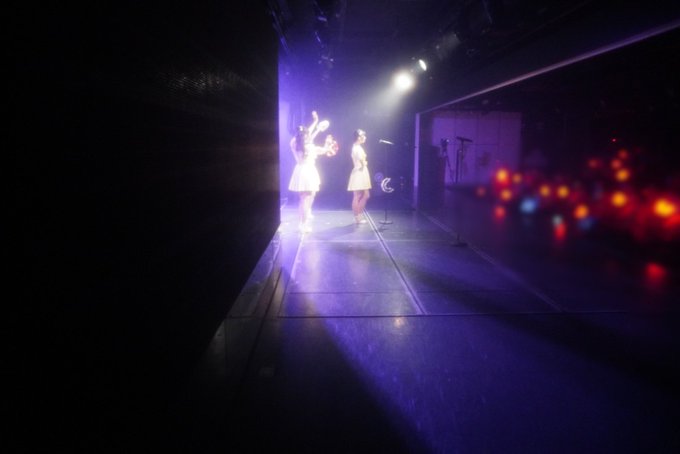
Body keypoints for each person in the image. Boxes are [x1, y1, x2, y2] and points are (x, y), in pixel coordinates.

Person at [288, 111, 337, 232]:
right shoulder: (309, 147)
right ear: (305, 136)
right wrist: (327, 143)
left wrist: (316, 123)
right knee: (306, 198)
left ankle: (302, 221)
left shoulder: (294, 144)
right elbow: (323, 150)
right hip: (308, 171)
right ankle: (303, 224)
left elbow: (308, 135)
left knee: (305, 197)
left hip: (300, 170)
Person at [347, 128, 371, 224]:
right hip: (359, 171)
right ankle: (357, 216)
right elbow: (362, 161)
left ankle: (359, 214)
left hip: (362, 171)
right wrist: (364, 163)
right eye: (363, 136)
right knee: (357, 195)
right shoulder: (356, 148)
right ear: (358, 137)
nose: (365, 137)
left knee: (365, 195)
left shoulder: (358, 147)